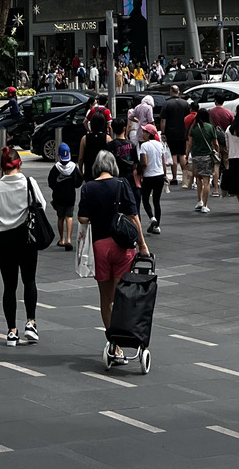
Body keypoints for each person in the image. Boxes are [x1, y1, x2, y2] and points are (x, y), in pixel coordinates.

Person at [77, 150, 149, 366]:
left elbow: (82, 217)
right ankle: (126, 337)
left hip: (100, 246)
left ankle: (113, 344)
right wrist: (143, 245)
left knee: (105, 298)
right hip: (122, 247)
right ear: (113, 166)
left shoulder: (88, 187)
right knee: (122, 296)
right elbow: (132, 216)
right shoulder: (121, 184)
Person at [0, 148, 46, 348]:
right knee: (29, 280)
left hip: (4, 239)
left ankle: (11, 331)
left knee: (9, 286)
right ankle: (31, 322)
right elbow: (42, 205)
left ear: (2, 167)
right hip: (27, 237)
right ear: (20, 164)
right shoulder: (29, 182)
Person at [47, 143, 80, 249]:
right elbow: (78, 182)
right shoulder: (73, 168)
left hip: (58, 197)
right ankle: (69, 239)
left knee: (60, 217)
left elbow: (51, 182)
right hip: (70, 196)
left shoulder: (55, 168)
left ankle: (62, 239)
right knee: (69, 217)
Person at [186, 106, 218, 213]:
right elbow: (215, 143)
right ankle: (205, 205)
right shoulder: (210, 127)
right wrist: (217, 151)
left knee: (198, 179)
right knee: (206, 181)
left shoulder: (194, 128)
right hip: (207, 156)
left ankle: (199, 201)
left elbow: (190, 144)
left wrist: (187, 156)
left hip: (196, 156)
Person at [138, 124, 166, 234]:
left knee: (145, 199)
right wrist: (164, 175)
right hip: (159, 175)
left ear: (149, 134)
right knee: (156, 201)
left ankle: (152, 218)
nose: (143, 134)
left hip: (148, 176)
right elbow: (163, 161)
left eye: (144, 132)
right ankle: (156, 226)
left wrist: (140, 173)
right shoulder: (160, 145)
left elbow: (144, 162)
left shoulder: (144, 146)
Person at [159, 85, 190, 187]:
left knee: (173, 155)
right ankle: (185, 179)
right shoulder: (185, 104)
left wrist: (163, 133)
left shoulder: (167, 104)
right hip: (183, 132)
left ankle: (175, 177)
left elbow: (163, 120)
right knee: (182, 154)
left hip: (170, 132)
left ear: (171, 92)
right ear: (178, 92)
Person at [209, 92, 234, 199]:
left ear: (215, 101)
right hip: (227, 142)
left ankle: (215, 190)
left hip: (215, 142)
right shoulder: (229, 113)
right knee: (227, 164)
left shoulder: (210, 112)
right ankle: (228, 187)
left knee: (216, 165)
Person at [78, 112, 109, 181]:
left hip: (89, 172)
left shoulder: (84, 139)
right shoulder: (107, 138)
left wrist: (80, 171)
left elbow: (81, 158)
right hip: (102, 173)